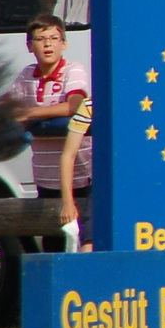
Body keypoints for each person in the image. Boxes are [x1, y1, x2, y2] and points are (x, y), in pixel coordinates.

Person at [2, 13, 91, 248]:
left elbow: (74, 106)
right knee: (52, 242)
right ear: (30, 46)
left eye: (54, 38)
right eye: (41, 39)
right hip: (45, 178)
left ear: (65, 43)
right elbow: (6, 106)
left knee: (84, 239)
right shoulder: (26, 75)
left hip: (80, 176)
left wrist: (31, 113)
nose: (48, 44)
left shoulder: (73, 71)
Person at [55, 96, 94, 249]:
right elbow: (68, 155)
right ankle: (86, 272)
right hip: (107, 186)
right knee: (90, 239)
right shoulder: (92, 104)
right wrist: (68, 203)